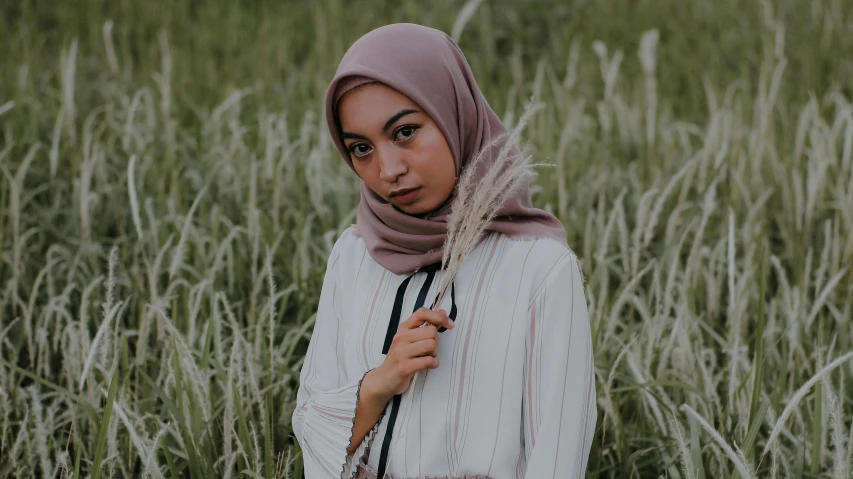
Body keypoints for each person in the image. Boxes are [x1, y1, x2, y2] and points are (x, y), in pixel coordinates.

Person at [291, 23, 596, 479]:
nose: (388, 170)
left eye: (406, 132)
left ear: (454, 112)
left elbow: (556, 457)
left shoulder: (539, 268)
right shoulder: (353, 257)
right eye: (361, 148)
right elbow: (310, 424)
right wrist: (378, 384)